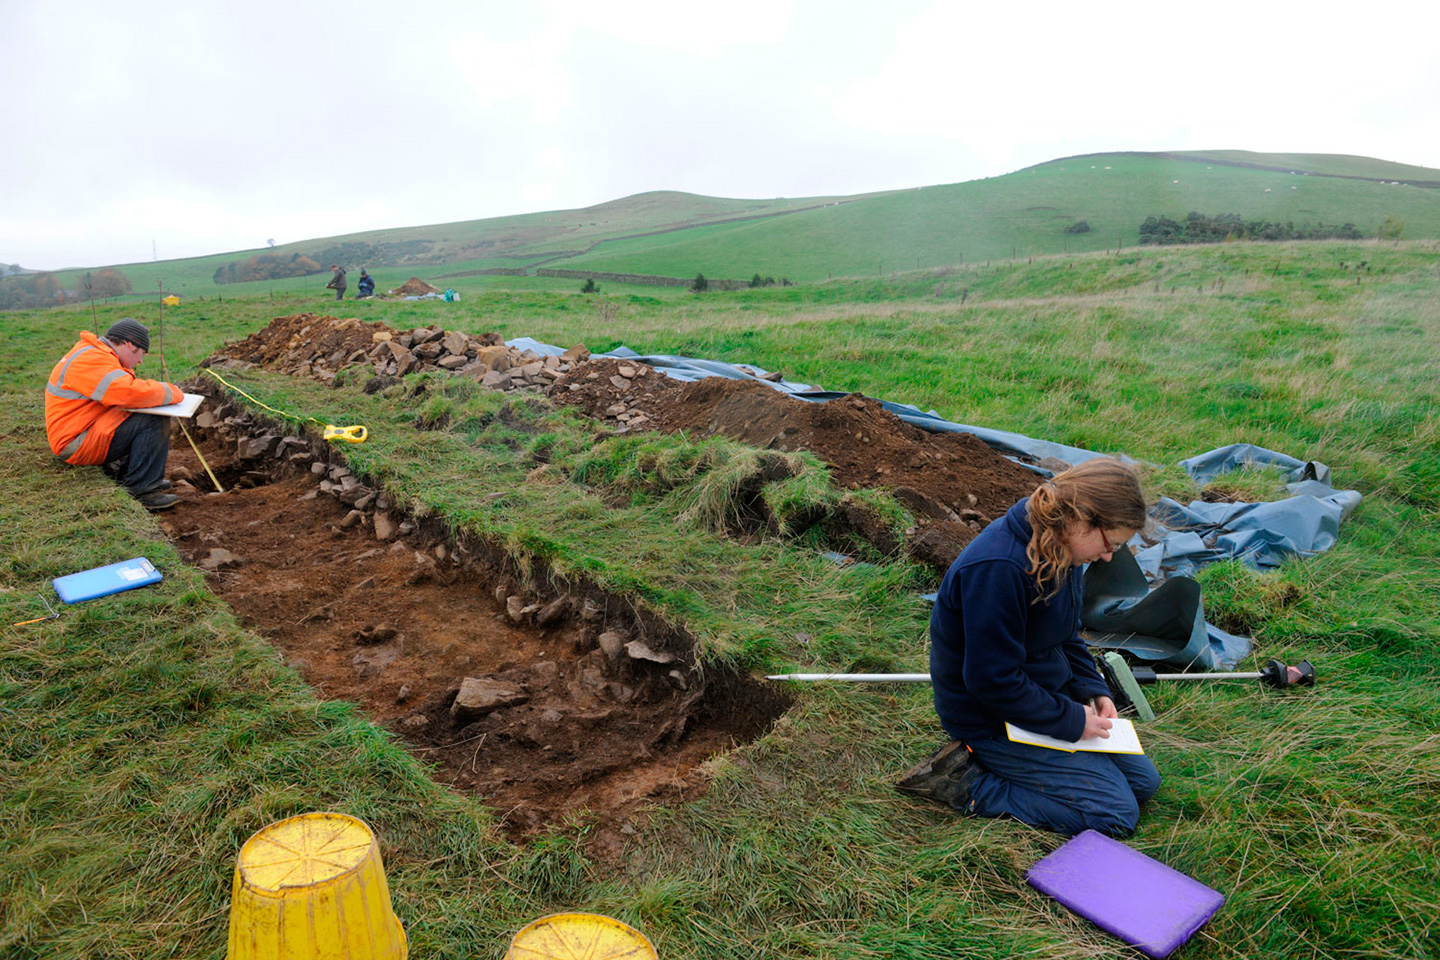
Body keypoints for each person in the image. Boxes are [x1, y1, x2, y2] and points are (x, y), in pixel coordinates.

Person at [898, 457, 1161, 837]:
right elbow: (991, 681)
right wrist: (1071, 721)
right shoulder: (998, 569)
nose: (1107, 557)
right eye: (1110, 544)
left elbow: (1068, 634)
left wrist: (1093, 690)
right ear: (1082, 517)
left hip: (1039, 695)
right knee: (1116, 815)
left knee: (1144, 785)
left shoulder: (1063, 547)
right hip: (989, 718)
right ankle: (969, 784)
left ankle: (1037, 761)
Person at [45, 319, 183, 511]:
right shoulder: (93, 360)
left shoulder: (95, 354)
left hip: (80, 430)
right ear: (129, 344)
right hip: (74, 442)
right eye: (141, 354)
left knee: (141, 411)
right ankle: (142, 490)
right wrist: (172, 392)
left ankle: (135, 474)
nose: (141, 361)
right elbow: (129, 392)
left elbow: (122, 393)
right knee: (153, 419)